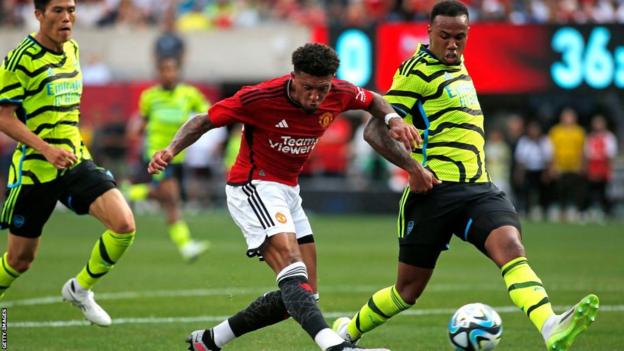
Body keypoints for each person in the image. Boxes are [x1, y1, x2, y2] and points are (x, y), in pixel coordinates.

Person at [331, 2, 599, 351]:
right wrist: (413, 168)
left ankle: (549, 325)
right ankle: (347, 332)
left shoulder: (460, 64)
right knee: (407, 290)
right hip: (435, 192)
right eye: (444, 36)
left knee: (512, 248)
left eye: (460, 37)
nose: (453, 44)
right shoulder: (415, 71)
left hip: (479, 188)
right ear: (428, 31)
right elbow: (374, 132)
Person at [148, 43, 419, 351]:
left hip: (288, 191)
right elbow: (203, 120)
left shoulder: (340, 92)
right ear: (293, 77)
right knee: (293, 269)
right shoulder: (259, 97)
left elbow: (374, 100)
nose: (316, 96)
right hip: (252, 186)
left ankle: (212, 340)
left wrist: (393, 120)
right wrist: (170, 150)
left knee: (304, 293)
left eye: (323, 89)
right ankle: (334, 346)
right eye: (308, 88)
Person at [0, 0, 135, 327]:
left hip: (75, 161)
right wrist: (46, 148)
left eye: (71, 10)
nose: (66, 17)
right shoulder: (20, 59)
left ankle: (80, 289)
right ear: (38, 15)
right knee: (20, 260)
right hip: (36, 170)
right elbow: (4, 117)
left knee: (124, 225)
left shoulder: (72, 49)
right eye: (57, 10)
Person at [126, 57, 209, 262]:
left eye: (172, 69)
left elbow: (208, 112)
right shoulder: (150, 96)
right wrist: (136, 129)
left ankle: (131, 191)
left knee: (170, 201)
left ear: (178, 72)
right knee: (171, 198)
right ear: (159, 73)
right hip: (157, 154)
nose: (168, 74)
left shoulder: (188, 94)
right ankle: (186, 245)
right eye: (164, 70)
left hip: (180, 155)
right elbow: (143, 121)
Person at [583, 114, 618, 221]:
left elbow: (611, 155)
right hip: (592, 167)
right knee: (590, 191)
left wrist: (610, 170)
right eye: (596, 123)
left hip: (603, 167)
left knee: (604, 192)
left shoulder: (609, 137)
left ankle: (606, 213)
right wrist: (586, 168)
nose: (598, 125)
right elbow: (587, 154)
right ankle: (587, 212)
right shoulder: (590, 137)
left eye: (600, 123)